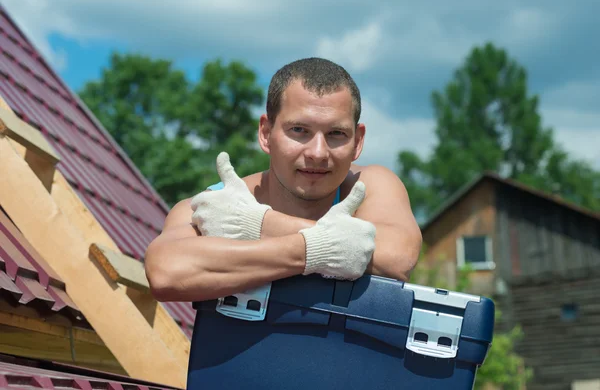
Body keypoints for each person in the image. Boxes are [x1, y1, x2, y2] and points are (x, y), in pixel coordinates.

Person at [145, 57, 422, 303]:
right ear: (266, 133)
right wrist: (331, 248)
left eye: (336, 134)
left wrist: (256, 224)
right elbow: (166, 273)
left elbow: (395, 259)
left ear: (358, 141)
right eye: (299, 130)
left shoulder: (369, 185)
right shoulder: (216, 203)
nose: (317, 153)